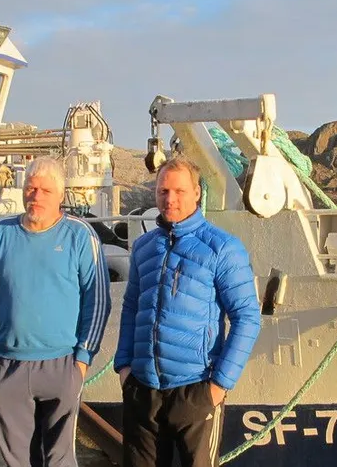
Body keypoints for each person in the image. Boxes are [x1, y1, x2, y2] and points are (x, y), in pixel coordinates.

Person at [114, 157, 262, 467]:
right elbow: (131, 307)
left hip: (195, 389)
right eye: (163, 191)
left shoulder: (222, 248)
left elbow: (247, 317)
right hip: (143, 390)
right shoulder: (144, 247)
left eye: (179, 191)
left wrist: (218, 386)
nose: (170, 199)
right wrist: (124, 367)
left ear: (196, 193)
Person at [0, 156, 111, 467]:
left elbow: (98, 299)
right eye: (31, 188)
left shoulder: (80, 235)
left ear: (61, 195)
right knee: (17, 460)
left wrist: (81, 359)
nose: (36, 196)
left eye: (45, 190)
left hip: (61, 363)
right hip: (7, 365)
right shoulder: (0, 234)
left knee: (59, 458)